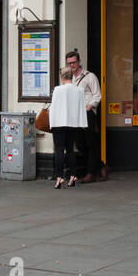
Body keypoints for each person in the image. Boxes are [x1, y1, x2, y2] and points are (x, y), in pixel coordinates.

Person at [66, 49, 108, 183]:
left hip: (87, 113)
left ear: (79, 62)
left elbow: (97, 95)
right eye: (69, 63)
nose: (72, 65)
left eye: (74, 62)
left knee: (91, 143)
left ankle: (91, 174)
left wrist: (90, 105)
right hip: (75, 114)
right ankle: (101, 166)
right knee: (80, 144)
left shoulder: (90, 76)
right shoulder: (69, 79)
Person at [49, 66, 87, 189]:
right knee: (70, 150)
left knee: (59, 150)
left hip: (59, 123)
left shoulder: (57, 90)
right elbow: (82, 108)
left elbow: (53, 108)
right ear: (71, 76)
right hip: (73, 124)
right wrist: (81, 123)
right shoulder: (79, 90)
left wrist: (51, 124)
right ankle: (73, 175)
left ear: (62, 77)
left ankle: (60, 177)